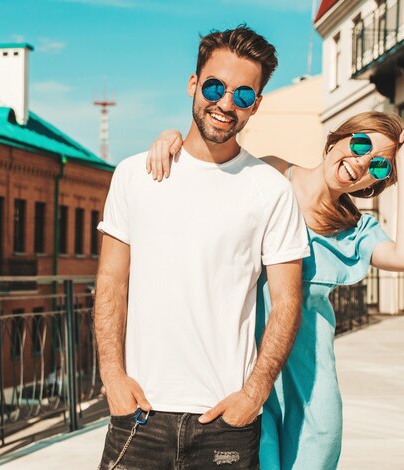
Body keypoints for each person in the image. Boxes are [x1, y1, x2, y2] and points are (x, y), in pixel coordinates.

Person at [146, 111, 404, 469]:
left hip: (311, 387)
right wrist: (175, 141)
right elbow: (207, 188)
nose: (360, 164)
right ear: (339, 138)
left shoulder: (355, 231)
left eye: (379, 166)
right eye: (360, 145)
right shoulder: (273, 174)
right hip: (244, 374)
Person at [94, 26, 311, 469]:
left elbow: (289, 300)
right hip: (138, 414)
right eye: (215, 86)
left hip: (224, 423)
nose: (226, 103)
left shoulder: (270, 190)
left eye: (243, 94)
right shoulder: (135, 175)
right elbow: (111, 282)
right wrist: (112, 377)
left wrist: (255, 394)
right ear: (193, 84)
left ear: (256, 104)